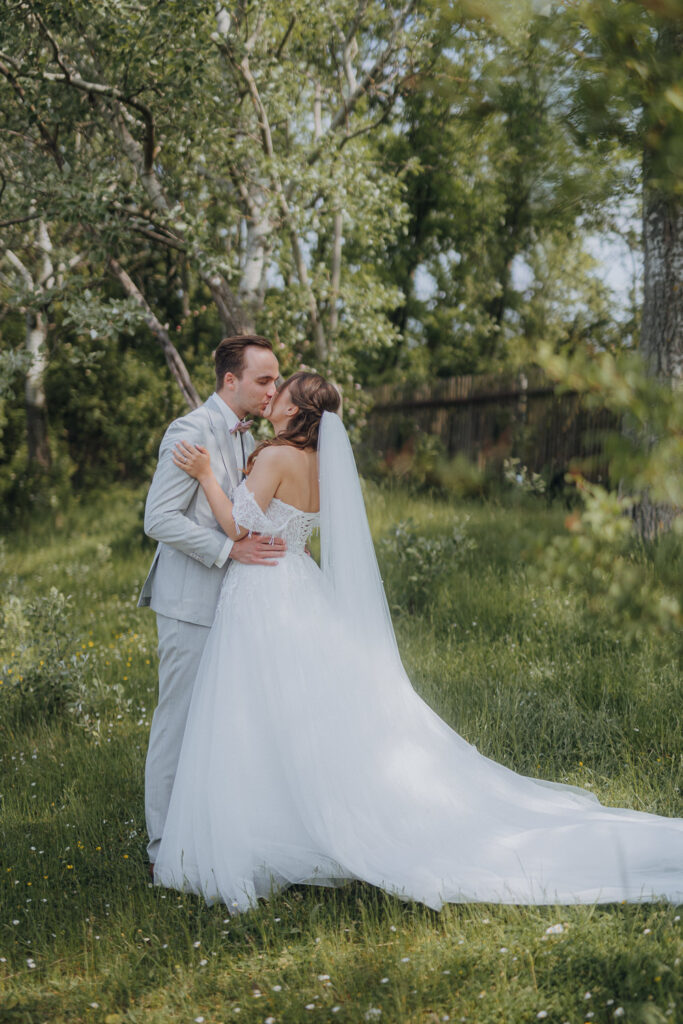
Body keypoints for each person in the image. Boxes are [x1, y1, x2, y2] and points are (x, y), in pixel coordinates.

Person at [153, 371, 683, 912]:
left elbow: (239, 530)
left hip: (264, 593)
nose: (273, 395)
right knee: (293, 715)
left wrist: (205, 476)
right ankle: (295, 820)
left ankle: (267, 828)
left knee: (256, 714)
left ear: (294, 408)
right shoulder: (318, 463)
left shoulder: (274, 458)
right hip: (299, 585)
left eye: (281, 390)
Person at [138, 335, 285, 875]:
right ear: (230, 380)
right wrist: (230, 550)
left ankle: (204, 838)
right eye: (264, 380)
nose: (273, 390)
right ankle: (162, 852)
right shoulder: (190, 431)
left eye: (275, 380)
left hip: (234, 608)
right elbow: (159, 519)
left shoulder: (251, 437)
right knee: (178, 726)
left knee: (220, 727)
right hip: (189, 603)